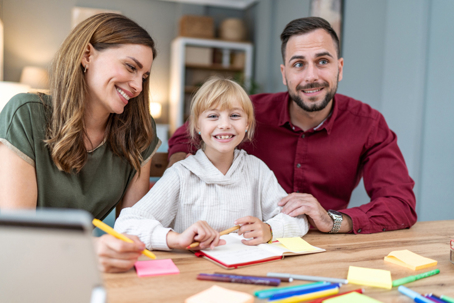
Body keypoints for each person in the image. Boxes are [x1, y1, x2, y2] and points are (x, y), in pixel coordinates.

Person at [167, 17, 417, 235]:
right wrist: (179, 174)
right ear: (284, 73)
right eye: (299, 64)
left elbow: (399, 204)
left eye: (322, 61)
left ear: (339, 69)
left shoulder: (368, 124)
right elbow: (187, 134)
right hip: (250, 241)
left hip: (326, 246)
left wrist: (331, 221)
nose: (311, 76)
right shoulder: (245, 114)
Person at [0, 13, 161, 272]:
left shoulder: (141, 131)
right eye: (131, 67)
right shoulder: (25, 114)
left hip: (86, 272)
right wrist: (86, 250)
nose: (138, 87)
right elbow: (15, 237)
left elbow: (133, 227)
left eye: (144, 76)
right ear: (87, 55)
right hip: (22, 268)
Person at [114, 77, 309, 250]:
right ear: (197, 125)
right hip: (192, 275)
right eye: (213, 116)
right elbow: (127, 224)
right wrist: (177, 238)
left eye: (234, 115)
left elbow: (298, 219)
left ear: (247, 124)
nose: (224, 124)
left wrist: (269, 230)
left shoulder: (257, 170)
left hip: (248, 272)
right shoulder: (181, 174)